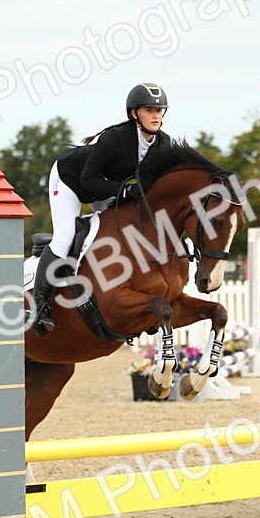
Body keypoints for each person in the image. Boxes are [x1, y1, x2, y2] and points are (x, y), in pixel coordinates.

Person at [29, 82, 174, 333]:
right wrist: (124, 191)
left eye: (159, 111)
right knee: (65, 235)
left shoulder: (164, 145)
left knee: (126, 228)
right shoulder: (115, 138)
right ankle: (40, 308)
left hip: (106, 187)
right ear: (134, 113)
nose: (156, 116)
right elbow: (88, 180)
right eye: (149, 110)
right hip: (71, 180)